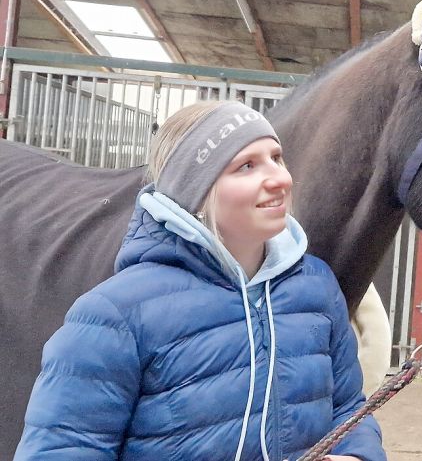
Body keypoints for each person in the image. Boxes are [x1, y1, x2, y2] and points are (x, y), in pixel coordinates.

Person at [14, 101, 386, 461]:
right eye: (246, 166)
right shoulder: (115, 314)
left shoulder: (316, 287)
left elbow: (349, 408)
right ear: (197, 188)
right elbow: (62, 448)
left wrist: (356, 454)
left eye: (276, 157)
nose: (279, 178)